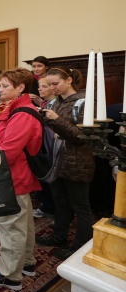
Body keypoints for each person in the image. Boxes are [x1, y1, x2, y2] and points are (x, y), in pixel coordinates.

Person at [0, 68, 42, 291]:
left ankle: (10, 275)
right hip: (17, 175)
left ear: (21, 88)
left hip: (12, 177)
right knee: (23, 223)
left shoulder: (22, 114)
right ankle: (27, 263)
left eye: (4, 86)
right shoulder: (16, 109)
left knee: (11, 227)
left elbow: (7, 152)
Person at [37, 67, 95, 260]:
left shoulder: (83, 101)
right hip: (58, 159)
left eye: (56, 84)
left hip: (78, 162)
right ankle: (59, 236)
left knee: (81, 206)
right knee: (60, 201)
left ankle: (80, 246)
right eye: (50, 84)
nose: (53, 88)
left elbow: (82, 136)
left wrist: (57, 120)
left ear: (69, 80)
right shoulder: (56, 102)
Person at [31, 77, 57, 219]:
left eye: (43, 86)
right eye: (39, 86)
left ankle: (51, 208)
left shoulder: (55, 104)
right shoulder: (46, 102)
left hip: (51, 146)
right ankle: (47, 205)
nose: (39, 89)